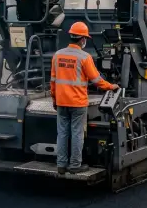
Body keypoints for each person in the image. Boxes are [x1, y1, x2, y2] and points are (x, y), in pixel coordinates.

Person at [50, 22, 119, 174]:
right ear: (82, 40)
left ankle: (61, 165)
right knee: (77, 133)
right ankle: (75, 165)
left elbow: (53, 81)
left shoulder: (58, 55)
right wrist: (111, 86)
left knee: (62, 133)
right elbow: (96, 80)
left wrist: (55, 100)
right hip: (77, 103)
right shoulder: (84, 57)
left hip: (61, 102)